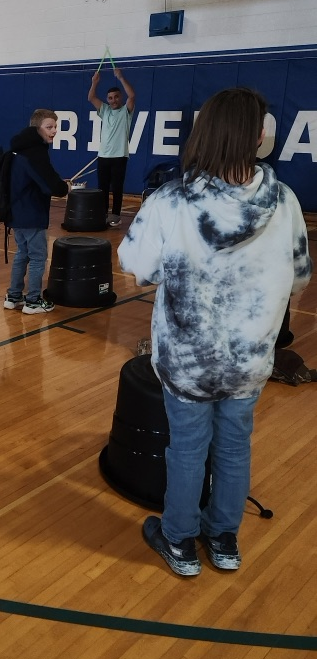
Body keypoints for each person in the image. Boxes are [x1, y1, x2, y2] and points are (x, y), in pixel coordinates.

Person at [118, 87, 312, 577]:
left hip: (187, 360)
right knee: (234, 445)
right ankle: (223, 539)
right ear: (259, 137)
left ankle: (180, 541)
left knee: (186, 448)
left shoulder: (172, 199)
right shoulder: (285, 201)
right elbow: (301, 276)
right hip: (250, 358)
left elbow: (135, 266)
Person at [4, 109, 70, 314]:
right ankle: (33, 300)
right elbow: (50, 185)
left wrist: (58, 184)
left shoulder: (19, 148)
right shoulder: (35, 152)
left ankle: (13, 296)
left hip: (16, 213)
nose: (54, 131)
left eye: (56, 127)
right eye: (49, 127)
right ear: (37, 128)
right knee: (38, 257)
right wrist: (65, 188)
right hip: (32, 214)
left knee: (22, 254)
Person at [87, 67, 135, 227]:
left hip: (120, 156)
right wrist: (94, 82)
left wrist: (120, 77)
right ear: (107, 100)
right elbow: (91, 97)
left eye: (116, 97)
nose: (113, 100)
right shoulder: (105, 110)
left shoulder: (125, 111)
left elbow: (132, 95)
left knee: (117, 187)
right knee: (102, 188)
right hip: (103, 156)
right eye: (110, 98)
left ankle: (115, 216)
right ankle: (102, 214)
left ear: (120, 98)